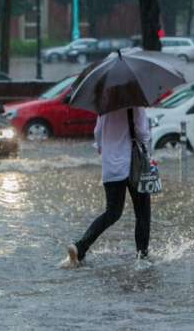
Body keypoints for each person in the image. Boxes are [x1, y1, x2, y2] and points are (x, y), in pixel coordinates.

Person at [67, 100, 152, 266]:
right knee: (142, 212)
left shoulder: (104, 106)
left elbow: (98, 134)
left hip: (111, 167)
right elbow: (142, 133)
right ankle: (142, 256)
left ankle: (80, 246)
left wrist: (104, 147)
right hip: (133, 165)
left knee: (112, 212)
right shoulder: (135, 104)